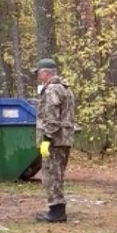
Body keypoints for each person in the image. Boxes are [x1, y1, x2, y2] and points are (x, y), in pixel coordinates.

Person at [32, 58, 77, 223]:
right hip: (64, 139)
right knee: (57, 174)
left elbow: (52, 118)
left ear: (45, 72)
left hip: (54, 140)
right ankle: (57, 210)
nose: (37, 75)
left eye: (38, 72)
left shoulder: (51, 90)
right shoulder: (66, 89)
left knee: (51, 175)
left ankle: (57, 211)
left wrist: (46, 139)